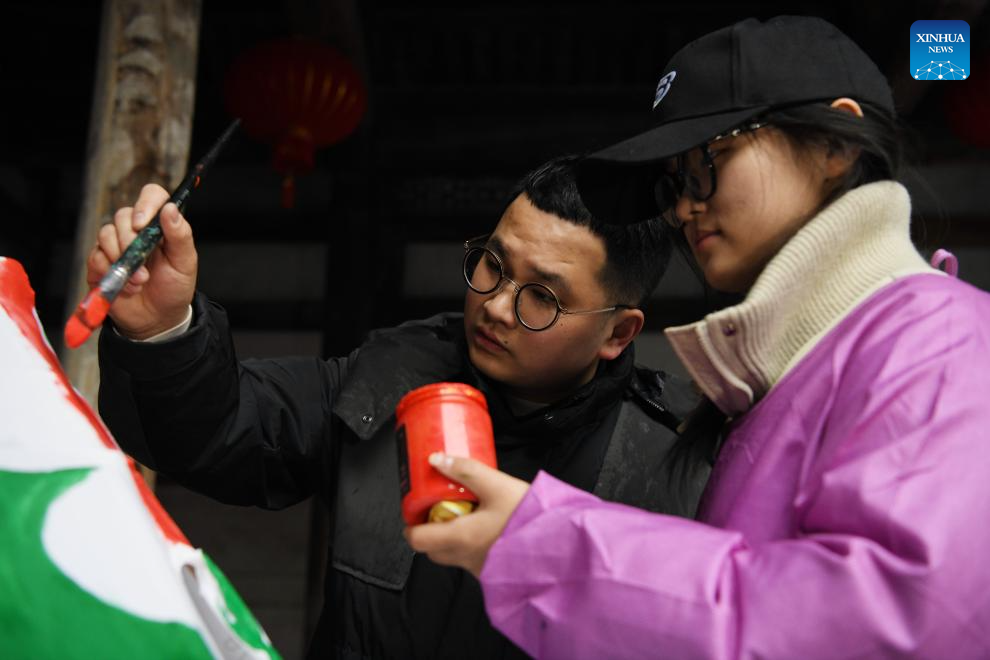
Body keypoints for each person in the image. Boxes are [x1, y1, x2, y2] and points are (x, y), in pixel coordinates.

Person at [406, 15, 990, 659]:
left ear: (834, 145)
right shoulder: (791, 375)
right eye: (675, 183)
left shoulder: (940, 344)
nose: (684, 208)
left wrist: (545, 549)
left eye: (707, 164)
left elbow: (889, 626)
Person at [91, 155, 710, 658]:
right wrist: (163, 330)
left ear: (617, 333)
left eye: (542, 297)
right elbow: (220, 428)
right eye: (493, 264)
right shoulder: (390, 377)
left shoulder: (680, 460)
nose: (496, 306)